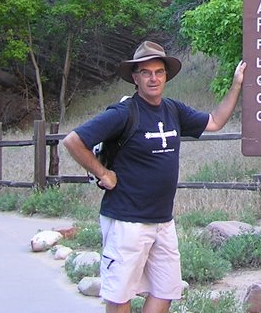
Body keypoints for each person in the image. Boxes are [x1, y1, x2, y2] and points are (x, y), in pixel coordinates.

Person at [62, 41, 245, 313]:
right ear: (135, 78)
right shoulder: (123, 113)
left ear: (166, 76)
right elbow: (73, 141)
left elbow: (215, 122)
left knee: (165, 290)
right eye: (146, 72)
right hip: (127, 221)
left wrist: (236, 85)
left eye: (159, 72)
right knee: (120, 296)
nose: (153, 78)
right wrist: (103, 173)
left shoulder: (173, 110)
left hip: (162, 221)